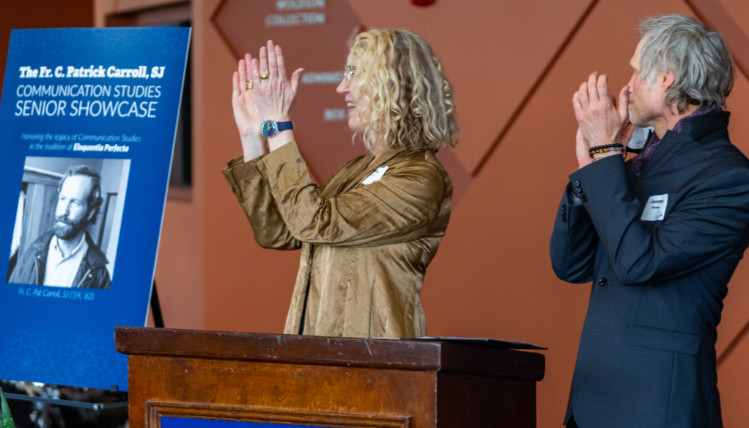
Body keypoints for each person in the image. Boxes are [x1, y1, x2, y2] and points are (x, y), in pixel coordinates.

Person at [550, 14, 749, 428]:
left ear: (665, 78)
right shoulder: (642, 160)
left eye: (637, 72)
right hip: (591, 402)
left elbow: (639, 263)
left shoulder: (728, 177)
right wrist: (593, 170)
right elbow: (571, 265)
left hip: (657, 406)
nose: (627, 87)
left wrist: (606, 157)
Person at [222, 30, 458, 338]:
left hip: (375, 367)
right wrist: (255, 135)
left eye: (354, 73)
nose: (341, 87)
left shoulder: (420, 179)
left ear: (393, 85)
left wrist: (279, 125)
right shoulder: (357, 169)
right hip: (317, 356)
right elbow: (278, 231)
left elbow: (311, 221)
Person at [9, 165, 111, 289]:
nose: (64, 211)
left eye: (75, 202)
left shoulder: (100, 275)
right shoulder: (31, 253)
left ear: (90, 212)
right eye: (62, 199)